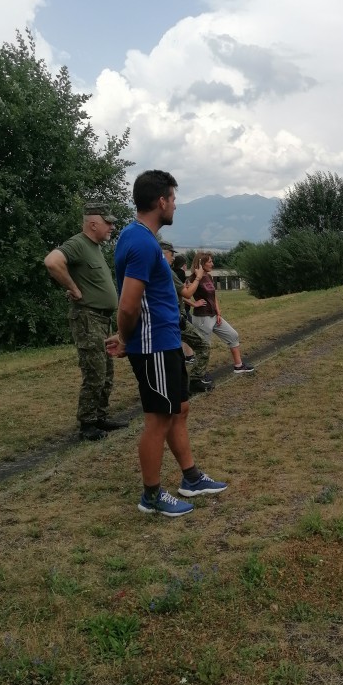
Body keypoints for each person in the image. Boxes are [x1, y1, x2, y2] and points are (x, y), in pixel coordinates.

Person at [106, 170, 228, 517]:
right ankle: (151, 496)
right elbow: (128, 304)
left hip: (167, 339)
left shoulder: (142, 238)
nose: (175, 205)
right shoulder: (141, 242)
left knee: (179, 410)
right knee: (158, 419)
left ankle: (191, 478)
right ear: (161, 201)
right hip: (153, 345)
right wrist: (126, 338)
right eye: (173, 199)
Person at [44, 201, 128, 441]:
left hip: (102, 320)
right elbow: (52, 262)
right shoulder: (78, 244)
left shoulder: (94, 247)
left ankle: (100, 417)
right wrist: (73, 288)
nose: (112, 227)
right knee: (95, 372)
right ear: (93, 223)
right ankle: (88, 424)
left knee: (106, 372)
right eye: (108, 222)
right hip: (88, 319)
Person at [188, 252, 255, 374]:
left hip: (214, 316)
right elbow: (182, 294)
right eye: (210, 262)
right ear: (201, 264)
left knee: (233, 335)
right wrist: (194, 304)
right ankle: (200, 375)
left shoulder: (209, 276)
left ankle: (238, 366)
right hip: (202, 318)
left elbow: (213, 295)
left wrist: (218, 312)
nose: (212, 264)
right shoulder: (193, 278)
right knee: (204, 347)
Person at [160, 241, 214, 393]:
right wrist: (198, 278)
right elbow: (187, 293)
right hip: (175, 318)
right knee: (203, 345)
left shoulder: (155, 270)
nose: (173, 258)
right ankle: (195, 380)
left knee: (173, 354)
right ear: (163, 253)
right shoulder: (168, 272)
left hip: (167, 319)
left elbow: (180, 294)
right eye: (171, 254)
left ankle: (173, 385)